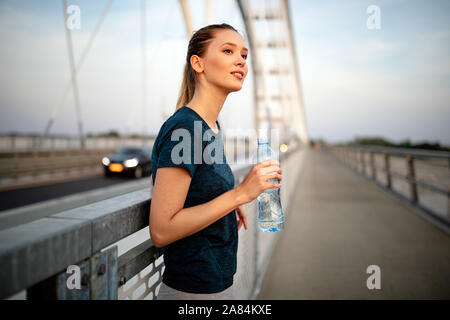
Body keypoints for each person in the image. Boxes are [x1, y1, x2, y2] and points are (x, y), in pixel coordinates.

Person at [149, 23, 282, 300]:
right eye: (228, 50)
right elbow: (161, 230)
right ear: (198, 63)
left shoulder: (210, 126)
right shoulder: (185, 128)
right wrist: (238, 196)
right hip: (191, 292)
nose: (240, 61)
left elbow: (197, 192)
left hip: (217, 284)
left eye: (244, 55)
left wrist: (223, 206)